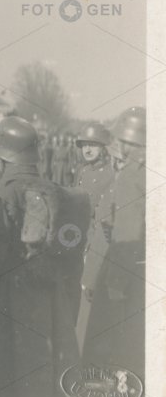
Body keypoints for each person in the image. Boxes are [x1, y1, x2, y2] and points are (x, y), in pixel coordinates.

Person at [0, 115, 89, 397]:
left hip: (12, 290)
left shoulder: (3, 191)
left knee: (13, 366)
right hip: (51, 288)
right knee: (51, 354)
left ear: (3, 156)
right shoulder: (53, 189)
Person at [78, 107, 146, 381]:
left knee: (110, 347)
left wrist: (115, 283)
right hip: (136, 269)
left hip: (120, 269)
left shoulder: (130, 176)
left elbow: (124, 237)